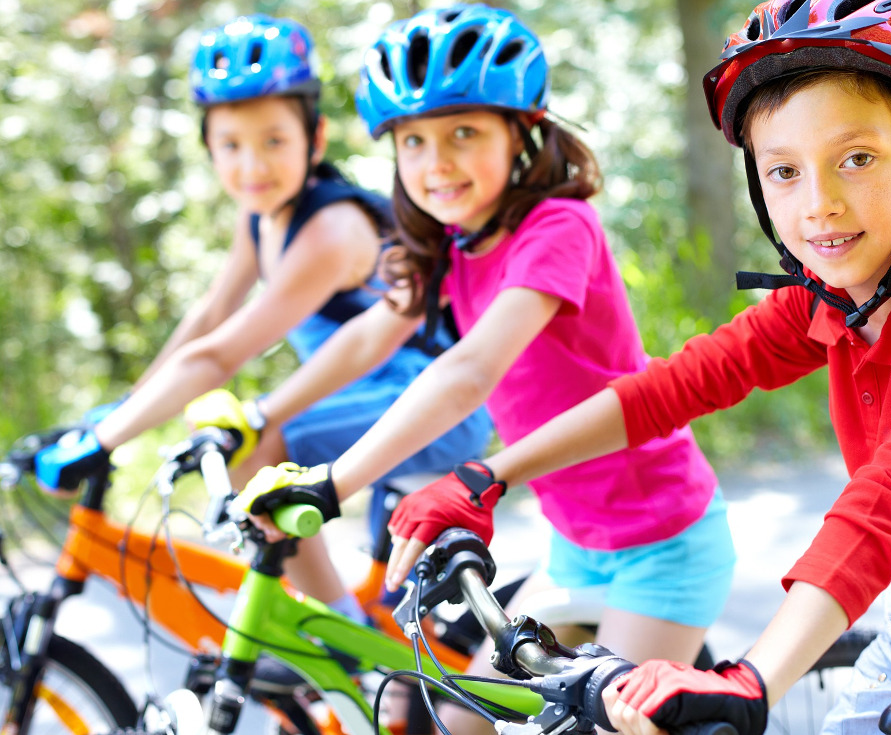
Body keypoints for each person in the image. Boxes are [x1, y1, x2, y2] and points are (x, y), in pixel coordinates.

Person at [382, 0, 891, 733]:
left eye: (856, 159)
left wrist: (753, 678)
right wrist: (488, 475)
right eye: (785, 170)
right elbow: (667, 389)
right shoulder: (825, 302)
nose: (819, 204)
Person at [230, 5, 734, 732]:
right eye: (414, 141)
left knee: (608, 724)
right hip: (578, 545)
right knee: (461, 719)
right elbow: (367, 338)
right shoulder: (454, 247)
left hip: (663, 546)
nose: (437, 162)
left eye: (464, 133)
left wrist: (338, 480)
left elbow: (471, 370)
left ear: (522, 130)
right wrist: (261, 417)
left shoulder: (559, 227)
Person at [33, 14, 492, 620]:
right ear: (207, 148)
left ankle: (332, 627)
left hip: (431, 410)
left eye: (274, 141)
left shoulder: (329, 229)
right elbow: (211, 316)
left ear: (316, 139)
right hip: (364, 405)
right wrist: (122, 412)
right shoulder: (262, 216)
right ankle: (347, 637)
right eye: (231, 145)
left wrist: (108, 437)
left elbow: (224, 353)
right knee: (399, 640)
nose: (252, 166)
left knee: (262, 447)